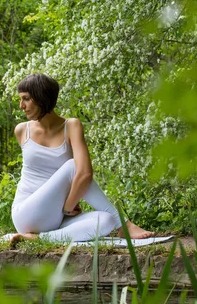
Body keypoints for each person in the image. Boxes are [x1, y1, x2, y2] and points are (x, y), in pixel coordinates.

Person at [10, 73, 154, 246]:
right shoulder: (22, 130)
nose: (21, 106)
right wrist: (68, 206)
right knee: (73, 166)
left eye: (26, 99)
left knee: (106, 221)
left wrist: (66, 206)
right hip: (26, 214)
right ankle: (124, 224)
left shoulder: (71, 126)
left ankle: (39, 239)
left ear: (41, 98)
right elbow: (81, 173)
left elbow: (84, 174)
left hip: (55, 216)